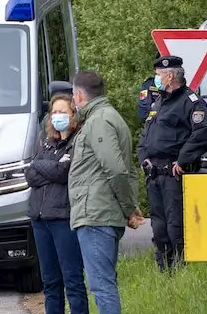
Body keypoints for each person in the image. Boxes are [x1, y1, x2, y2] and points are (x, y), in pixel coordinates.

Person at [68, 70, 143, 314]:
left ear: (79, 95)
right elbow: (128, 170)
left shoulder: (99, 120)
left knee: (101, 286)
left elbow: (117, 170)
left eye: (72, 95)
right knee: (104, 283)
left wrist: (129, 208)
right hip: (101, 213)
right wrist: (130, 205)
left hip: (96, 214)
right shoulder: (111, 117)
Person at [137, 55, 207, 273]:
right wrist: (143, 157)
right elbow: (146, 134)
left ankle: (181, 272)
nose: (156, 79)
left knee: (176, 227)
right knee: (159, 229)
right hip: (154, 175)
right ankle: (164, 273)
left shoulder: (191, 102)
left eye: (159, 75)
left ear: (170, 76)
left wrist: (183, 159)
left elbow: (203, 133)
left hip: (174, 174)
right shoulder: (159, 102)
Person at [26, 84, 89, 314]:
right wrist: (48, 168)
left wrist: (43, 167)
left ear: (73, 114)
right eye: (54, 112)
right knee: (50, 282)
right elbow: (30, 174)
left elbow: (64, 173)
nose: (57, 116)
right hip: (39, 218)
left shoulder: (77, 141)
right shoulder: (45, 140)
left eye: (63, 112)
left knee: (72, 279)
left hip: (63, 217)